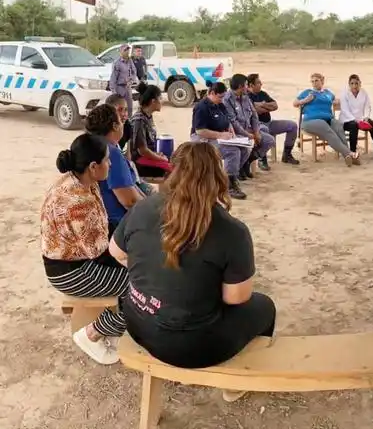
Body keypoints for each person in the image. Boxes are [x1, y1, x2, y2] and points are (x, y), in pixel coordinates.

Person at [108, 142, 276, 403]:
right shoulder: (232, 230)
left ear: (173, 172)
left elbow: (116, 252)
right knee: (265, 307)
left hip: (137, 324)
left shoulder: (143, 207)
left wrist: (153, 269)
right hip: (191, 348)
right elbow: (236, 298)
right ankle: (234, 383)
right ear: (218, 177)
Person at [41, 133, 129, 365]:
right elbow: (101, 255)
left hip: (80, 260)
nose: (110, 163)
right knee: (143, 288)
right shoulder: (79, 201)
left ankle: (113, 326)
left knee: (141, 272)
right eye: (107, 160)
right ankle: (92, 334)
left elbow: (105, 228)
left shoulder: (80, 180)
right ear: (93, 166)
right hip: (71, 272)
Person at [85, 104, 145, 232]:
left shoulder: (93, 146)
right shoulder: (110, 153)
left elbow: (131, 188)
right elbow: (130, 200)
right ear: (115, 126)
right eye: (120, 121)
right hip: (117, 225)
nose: (123, 124)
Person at [191, 81, 250, 200]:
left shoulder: (220, 105)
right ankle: (228, 185)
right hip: (203, 139)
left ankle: (231, 176)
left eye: (223, 97)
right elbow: (200, 131)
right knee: (232, 151)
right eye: (220, 97)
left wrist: (231, 131)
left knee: (245, 149)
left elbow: (227, 121)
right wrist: (220, 135)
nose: (222, 99)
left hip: (221, 136)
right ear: (212, 93)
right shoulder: (201, 107)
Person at [295, 73, 355, 166]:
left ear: (322, 81)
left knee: (338, 127)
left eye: (316, 81)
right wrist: (305, 100)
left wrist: (337, 101)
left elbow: (336, 100)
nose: (314, 83)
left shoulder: (328, 93)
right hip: (310, 121)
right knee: (326, 128)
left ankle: (347, 155)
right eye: (312, 81)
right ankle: (350, 153)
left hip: (328, 119)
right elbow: (295, 103)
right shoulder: (307, 92)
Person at [246, 73, 300, 169]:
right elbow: (255, 110)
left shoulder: (263, 94)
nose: (261, 84)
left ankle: (287, 155)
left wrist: (262, 105)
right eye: (258, 83)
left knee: (292, 125)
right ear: (251, 85)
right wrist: (266, 107)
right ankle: (262, 159)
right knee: (264, 130)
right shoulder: (246, 96)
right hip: (257, 126)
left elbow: (275, 106)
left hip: (269, 123)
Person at [223, 73, 270, 180]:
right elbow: (233, 122)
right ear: (240, 86)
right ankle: (237, 171)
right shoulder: (227, 100)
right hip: (237, 132)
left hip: (250, 129)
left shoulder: (245, 97)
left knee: (268, 141)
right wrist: (248, 134)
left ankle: (246, 163)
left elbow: (254, 115)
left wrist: (256, 132)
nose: (247, 87)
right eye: (246, 85)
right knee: (244, 147)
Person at [339, 74, 373, 161]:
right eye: (352, 83)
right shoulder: (344, 94)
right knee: (354, 126)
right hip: (347, 121)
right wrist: (356, 121)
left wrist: (366, 118)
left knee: (372, 124)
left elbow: (367, 106)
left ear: (360, 83)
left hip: (361, 120)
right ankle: (353, 154)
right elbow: (345, 110)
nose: (354, 86)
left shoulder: (363, 92)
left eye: (356, 83)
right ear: (349, 84)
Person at [130, 83, 173, 178]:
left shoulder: (147, 116)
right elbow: (142, 151)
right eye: (160, 98)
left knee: (174, 160)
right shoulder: (139, 120)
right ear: (153, 101)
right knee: (172, 168)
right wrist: (161, 158)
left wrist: (158, 155)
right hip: (139, 160)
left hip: (146, 156)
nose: (162, 101)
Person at [109, 44, 137, 117]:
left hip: (128, 88)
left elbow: (134, 72)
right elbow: (113, 78)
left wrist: (131, 80)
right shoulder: (117, 63)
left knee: (129, 107)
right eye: (125, 50)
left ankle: (129, 123)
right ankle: (120, 123)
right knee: (120, 108)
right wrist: (114, 91)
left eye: (128, 50)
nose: (127, 52)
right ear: (121, 52)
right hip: (119, 88)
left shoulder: (130, 61)